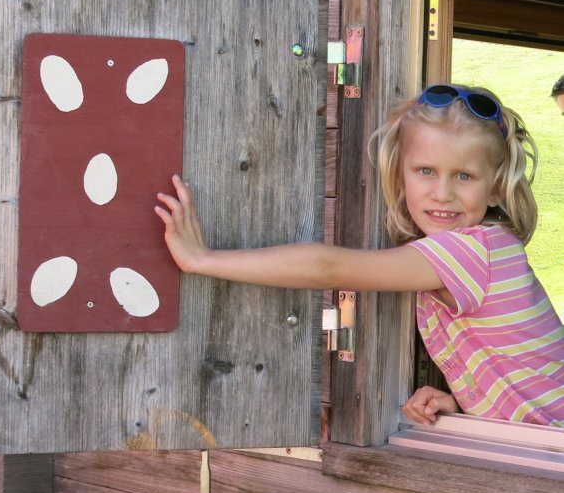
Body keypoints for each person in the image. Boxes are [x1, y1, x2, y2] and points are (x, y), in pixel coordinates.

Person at [155, 84, 564, 428]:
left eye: (464, 176)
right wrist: (464, 402)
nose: (443, 193)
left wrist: (202, 260)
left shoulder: (471, 252)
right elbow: (524, 369)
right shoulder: (474, 251)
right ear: (400, 174)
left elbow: (326, 267)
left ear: (494, 188)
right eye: (426, 171)